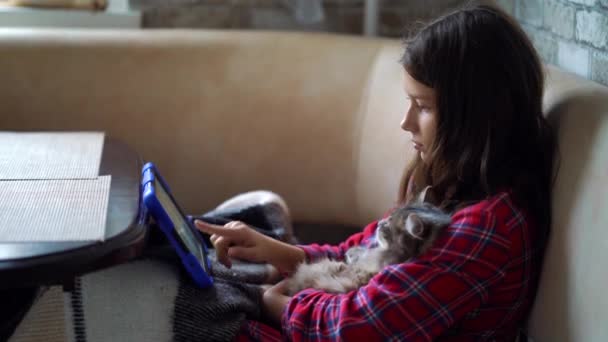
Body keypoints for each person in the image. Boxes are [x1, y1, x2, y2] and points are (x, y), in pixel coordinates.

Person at [195, 2, 557, 341]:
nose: (406, 122)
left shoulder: (488, 228)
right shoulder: (451, 188)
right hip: (317, 313)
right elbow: (358, 254)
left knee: (192, 303)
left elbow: (357, 327)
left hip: (327, 326)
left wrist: (273, 304)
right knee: (190, 274)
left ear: (477, 118)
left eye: (423, 106)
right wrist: (280, 253)